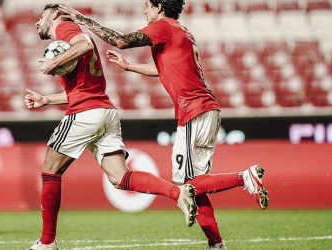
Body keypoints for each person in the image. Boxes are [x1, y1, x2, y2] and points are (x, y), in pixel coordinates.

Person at [59, 1, 270, 250]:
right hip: (203, 110)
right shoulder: (179, 29)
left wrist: (82, 19)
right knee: (194, 185)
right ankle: (216, 244)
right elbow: (164, 68)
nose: (144, 11)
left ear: (159, 6)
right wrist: (129, 67)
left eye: (147, 6)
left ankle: (245, 177)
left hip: (195, 111)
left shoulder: (163, 26)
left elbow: (121, 39)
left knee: (186, 186)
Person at [24, 3, 199, 250]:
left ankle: (46, 243)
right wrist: (47, 100)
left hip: (85, 113)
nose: (36, 22)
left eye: (41, 17)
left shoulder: (65, 26)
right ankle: (178, 193)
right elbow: (82, 88)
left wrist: (53, 63)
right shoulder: (68, 38)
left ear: (53, 15)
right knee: (120, 177)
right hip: (105, 111)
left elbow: (83, 43)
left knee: (50, 171)